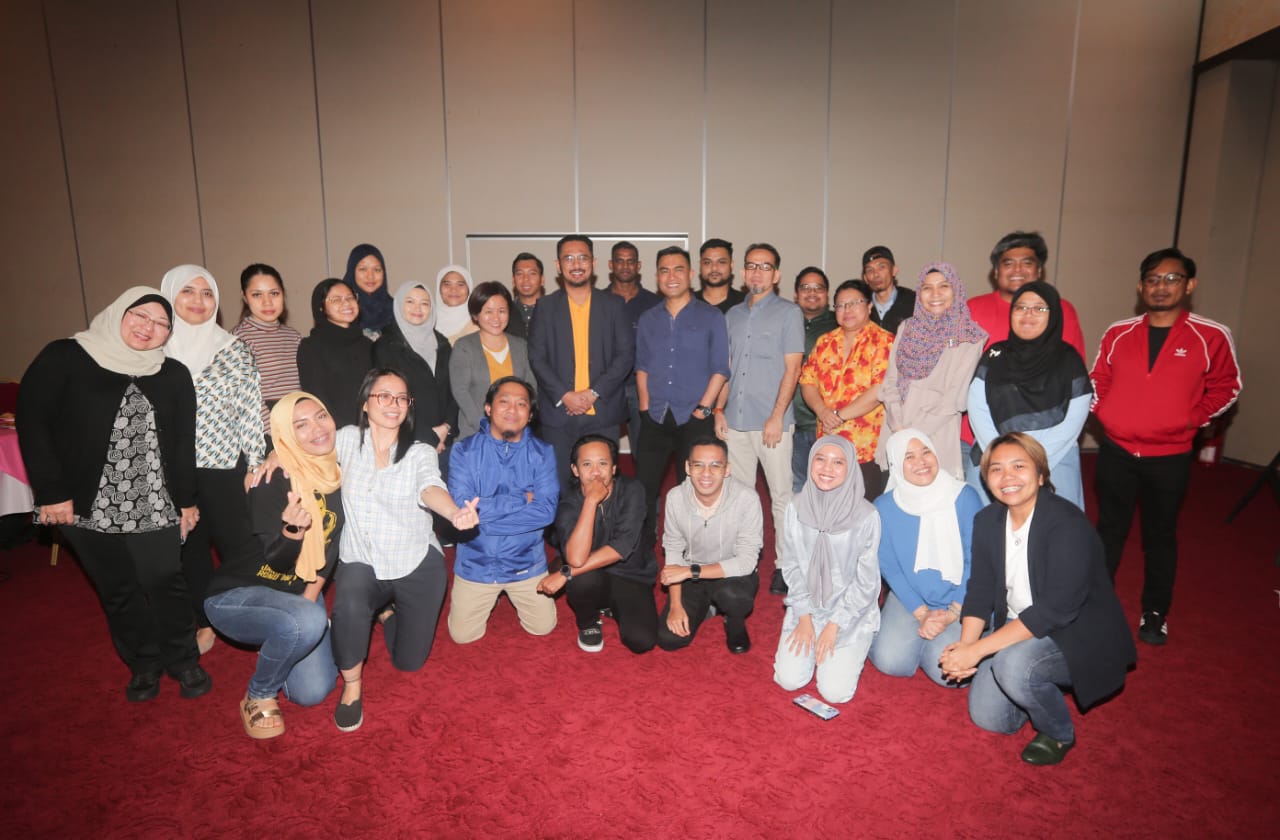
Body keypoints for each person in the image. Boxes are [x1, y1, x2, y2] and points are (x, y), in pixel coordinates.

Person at [18, 286, 210, 702]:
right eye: (140, 316)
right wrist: (51, 491)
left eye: (162, 324)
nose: (149, 328)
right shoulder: (66, 356)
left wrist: (187, 501)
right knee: (117, 588)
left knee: (165, 580)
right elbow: (33, 421)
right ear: (119, 312)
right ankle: (143, 664)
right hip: (84, 502)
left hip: (155, 500)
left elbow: (184, 443)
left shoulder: (172, 373)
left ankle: (183, 659)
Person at [939, 433, 1136, 766]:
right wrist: (967, 646)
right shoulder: (987, 521)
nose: (1008, 477)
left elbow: (1055, 610)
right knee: (990, 718)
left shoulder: (1067, 524)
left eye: (1019, 466)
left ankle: (1057, 732)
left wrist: (979, 650)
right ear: (986, 479)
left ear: (1041, 475)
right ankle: (1037, 680)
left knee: (1013, 666)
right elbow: (980, 589)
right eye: (996, 469)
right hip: (1019, 624)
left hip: (1075, 633)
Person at [1091, 247, 1241, 646]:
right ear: (1141, 287)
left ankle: (1155, 612)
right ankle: (1095, 603)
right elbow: (1097, 379)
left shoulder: (1211, 335)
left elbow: (1227, 387)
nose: (1161, 287)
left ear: (1189, 286)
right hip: (1117, 451)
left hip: (1170, 456)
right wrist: (1106, 413)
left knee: (1160, 536)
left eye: (1172, 279)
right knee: (1109, 530)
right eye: (1153, 279)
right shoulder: (1119, 332)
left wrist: (1191, 419)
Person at [329, 369, 480, 732]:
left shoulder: (419, 451)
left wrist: (453, 512)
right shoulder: (346, 439)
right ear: (365, 403)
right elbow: (304, 448)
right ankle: (352, 685)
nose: (393, 404)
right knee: (349, 600)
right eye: (384, 396)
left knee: (409, 663)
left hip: (413, 561)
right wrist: (275, 457)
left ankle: (386, 615)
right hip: (362, 557)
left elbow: (430, 486)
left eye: (401, 398)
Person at [203, 392, 342, 739]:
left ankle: (286, 631)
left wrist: (307, 602)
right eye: (300, 426)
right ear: (285, 434)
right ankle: (259, 694)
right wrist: (293, 531)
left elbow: (331, 552)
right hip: (240, 593)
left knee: (313, 692)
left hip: (296, 592)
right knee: (306, 622)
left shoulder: (338, 474)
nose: (317, 429)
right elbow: (278, 562)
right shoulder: (270, 480)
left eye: (321, 416)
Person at [160, 264, 267, 657]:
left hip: (225, 468)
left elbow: (250, 412)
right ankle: (205, 620)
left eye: (207, 293)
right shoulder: (152, 351)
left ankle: (251, 615)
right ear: (169, 295)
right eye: (188, 291)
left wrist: (254, 463)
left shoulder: (234, 349)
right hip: (172, 470)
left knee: (241, 546)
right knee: (189, 550)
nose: (198, 301)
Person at [715, 243, 804, 597]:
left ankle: (784, 565)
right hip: (735, 420)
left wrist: (777, 416)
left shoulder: (789, 313)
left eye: (765, 267)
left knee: (781, 496)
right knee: (741, 497)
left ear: (776, 275)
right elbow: (727, 368)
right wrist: (718, 409)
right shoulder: (732, 315)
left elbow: (793, 369)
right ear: (743, 272)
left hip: (772, 423)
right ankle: (745, 561)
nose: (757, 272)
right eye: (752, 266)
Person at [447, 376, 559, 642]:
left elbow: (546, 512)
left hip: (525, 562)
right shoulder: (463, 451)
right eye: (504, 402)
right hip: (476, 562)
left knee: (543, 627)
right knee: (463, 636)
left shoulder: (543, 453)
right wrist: (521, 500)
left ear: (530, 414)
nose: (512, 410)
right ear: (488, 408)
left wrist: (482, 518)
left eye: (521, 404)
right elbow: (463, 508)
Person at [634, 246, 729, 561]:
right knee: (645, 489)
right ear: (657, 276)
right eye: (664, 270)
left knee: (693, 489)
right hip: (656, 416)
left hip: (695, 417)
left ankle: (692, 553)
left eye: (678, 269)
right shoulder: (648, 319)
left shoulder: (711, 317)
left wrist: (705, 408)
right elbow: (642, 367)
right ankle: (642, 550)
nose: (671, 276)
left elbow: (721, 369)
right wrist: (645, 408)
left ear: (690, 274)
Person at [868, 429, 982, 686]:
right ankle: (918, 637)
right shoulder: (884, 506)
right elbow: (890, 568)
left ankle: (939, 639)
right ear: (896, 464)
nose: (921, 462)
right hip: (912, 597)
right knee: (891, 662)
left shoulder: (964, 497)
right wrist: (921, 614)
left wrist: (952, 613)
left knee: (947, 674)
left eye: (926, 452)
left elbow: (977, 563)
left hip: (961, 599)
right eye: (909, 456)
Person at [773, 436, 881, 705]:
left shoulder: (866, 516)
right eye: (820, 459)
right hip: (807, 606)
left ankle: (858, 643)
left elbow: (866, 584)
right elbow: (791, 565)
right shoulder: (795, 506)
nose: (827, 468)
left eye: (838, 462)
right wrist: (804, 618)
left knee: (835, 693)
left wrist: (834, 626)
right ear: (810, 462)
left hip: (849, 612)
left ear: (850, 468)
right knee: (788, 680)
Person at [967, 281, 1091, 508]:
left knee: (1055, 525)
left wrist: (1034, 461)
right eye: (1021, 307)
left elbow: (1075, 416)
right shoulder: (995, 354)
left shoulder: (1068, 359)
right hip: (995, 453)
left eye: (1039, 308)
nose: (1028, 314)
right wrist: (1002, 458)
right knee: (988, 524)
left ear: (1053, 315)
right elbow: (977, 407)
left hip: (1054, 457)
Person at [528, 235, 635, 488]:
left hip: (603, 413)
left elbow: (625, 355)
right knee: (559, 488)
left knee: (602, 488)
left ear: (593, 263)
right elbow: (537, 357)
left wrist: (593, 392)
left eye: (582, 258)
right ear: (558, 265)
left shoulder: (614, 305)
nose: (576, 264)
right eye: (568, 258)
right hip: (559, 416)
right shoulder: (545, 307)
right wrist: (564, 395)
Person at [540, 434, 658, 654]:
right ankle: (589, 621)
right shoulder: (567, 504)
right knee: (581, 578)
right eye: (587, 464)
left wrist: (565, 573)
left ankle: (611, 606)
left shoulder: (633, 490)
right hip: (590, 575)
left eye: (602, 463)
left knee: (641, 640)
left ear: (614, 468)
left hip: (631, 575)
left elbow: (621, 547)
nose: (595, 472)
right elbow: (576, 559)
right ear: (575, 470)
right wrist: (591, 501)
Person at [876, 262, 986, 481]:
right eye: (927, 287)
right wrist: (898, 427)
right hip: (895, 429)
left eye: (944, 286)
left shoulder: (970, 336)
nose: (935, 294)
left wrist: (911, 438)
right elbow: (890, 382)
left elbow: (954, 399)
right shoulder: (907, 328)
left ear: (956, 289)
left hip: (935, 437)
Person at [656, 437, 762, 654]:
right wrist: (675, 605)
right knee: (668, 639)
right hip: (691, 576)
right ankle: (707, 608)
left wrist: (690, 571)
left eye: (715, 465)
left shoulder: (747, 499)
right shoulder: (675, 498)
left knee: (734, 597)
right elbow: (673, 550)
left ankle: (733, 620)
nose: (706, 473)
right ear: (688, 468)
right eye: (698, 465)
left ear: (727, 469)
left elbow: (746, 561)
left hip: (731, 575)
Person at [798, 279, 895, 505]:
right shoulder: (825, 342)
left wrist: (838, 416)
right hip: (827, 446)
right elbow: (807, 382)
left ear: (869, 306)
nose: (847, 310)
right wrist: (822, 411)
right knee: (826, 508)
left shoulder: (885, 341)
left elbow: (879, 389)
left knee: (863, 510)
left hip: (865, 449)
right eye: (841, 305)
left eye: (854, 303)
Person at [374, 281, 458, 468]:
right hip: (406, 441)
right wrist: (429, 436)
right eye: (410, 302)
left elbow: (454, 392)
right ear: (399, 305)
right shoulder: (385, 347)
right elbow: (389, 399)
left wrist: (447, 428)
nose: (417, 308)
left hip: (445, 440)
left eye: (425, 303)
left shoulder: (443, 344)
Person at [449, 282, 534, 439]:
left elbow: (531, 388)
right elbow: (460, 392)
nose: (496, 318)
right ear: (476, 315)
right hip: (476, 434)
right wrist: (486, 427)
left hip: (516, 433)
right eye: (488, 311)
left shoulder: (521, 346)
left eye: (502, 311)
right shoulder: (464, 347)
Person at [233, 263, 301, 432]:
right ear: (244, 297)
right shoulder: (238, 339)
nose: (267, 302)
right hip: (266, 431)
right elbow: (245, 397)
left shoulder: (294, 336)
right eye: (257, 295)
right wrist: (276, 434)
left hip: (300, 422)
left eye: (274, 293)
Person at [297, 278, 373, 428]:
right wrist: (345, 433)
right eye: (336, 299)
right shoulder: (311, 347)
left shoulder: (367, 344)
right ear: (321, 307)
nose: (346, 303)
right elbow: (318, 399)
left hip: (373, 430)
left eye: (350, 298)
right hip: (337, 432)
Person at [608, 240, 661, 452]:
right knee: (604, 448)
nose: (625, 266)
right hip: (607, 387)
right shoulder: (598, 301)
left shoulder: (655, 303)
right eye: (620, 261)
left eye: (630, 261)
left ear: (638, 266)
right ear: (611, 265)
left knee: (644, 449)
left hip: (643, 388)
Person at [790, 266, 837, 494]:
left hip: (827, 423)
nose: (812, 293)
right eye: (805, 288)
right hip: (790, 424)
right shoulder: (785, 322)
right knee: (796, 488)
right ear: (796, 294)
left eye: (818, 288)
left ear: (827, 294)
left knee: (830, 487)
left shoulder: (840, 324)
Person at [344, 243, 395, 340]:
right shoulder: (342, 309)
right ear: (352, 272)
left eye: (377, 269)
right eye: (363, 269)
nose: (370, 276)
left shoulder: (396, 310)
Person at [862, 246, 915, 335]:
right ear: (865, 278)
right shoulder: (860, 307)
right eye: (870, 270)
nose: (876, 274)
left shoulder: (914, 302)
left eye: (882, 267)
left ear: (894, 270)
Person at [694, 238, 745, 314]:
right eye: (707, 262)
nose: (714, 268)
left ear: (731, 265)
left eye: (721, 262)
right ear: (700, 265)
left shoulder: (745, 303)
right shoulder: (688, 303)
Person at [435, 265, 477, 345]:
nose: (453, 290)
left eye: (460, 284)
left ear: (469, 288)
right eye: (447, 284)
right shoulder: (428, 321)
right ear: (439, 288)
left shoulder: (479, 322)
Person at [510, 252, 545, 332]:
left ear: (542, 280)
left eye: (532, 273)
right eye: (520, 274)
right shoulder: (505, 312)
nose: (526, 279)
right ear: (513, 280)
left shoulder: (554, 311)